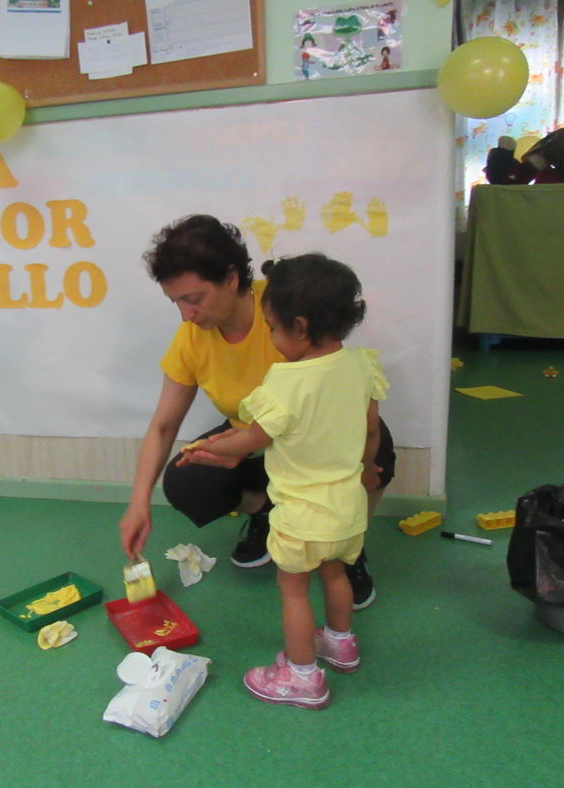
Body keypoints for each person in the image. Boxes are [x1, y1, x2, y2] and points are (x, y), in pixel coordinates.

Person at [117, 215, 394, 608]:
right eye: (176, 301)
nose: (186, 315)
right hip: (255, 442)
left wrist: (361, 461)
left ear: (231, 279)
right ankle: (271, 516)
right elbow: (163, 427)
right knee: (187, 478)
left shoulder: (287, 307)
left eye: (193, 298)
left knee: (377, 449)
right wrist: (138, 502)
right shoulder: (191, 338)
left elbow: (333, 391)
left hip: (311, 442)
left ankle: (346, 545)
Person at [177, 254, 384, 708]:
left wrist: (206, 449)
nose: (269, 337)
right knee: (335, 574)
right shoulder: (361, 366)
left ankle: (303, 676)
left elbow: (252, 437)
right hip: (347, 506)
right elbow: (371, 430)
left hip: (301, 514)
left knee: (293, 590)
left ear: (301, 326)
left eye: (272, 328)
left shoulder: (287, 381)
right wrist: (366, 469)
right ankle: (341, 643)